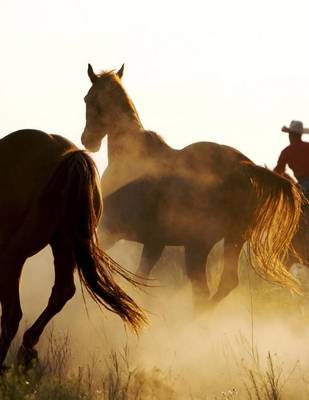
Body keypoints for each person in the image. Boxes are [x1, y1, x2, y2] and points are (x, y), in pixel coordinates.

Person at [274, 120, 309, 193]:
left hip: (304, 184)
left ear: (291, 135)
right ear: (300, 135)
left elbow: (278, 171)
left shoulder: (286, 152)